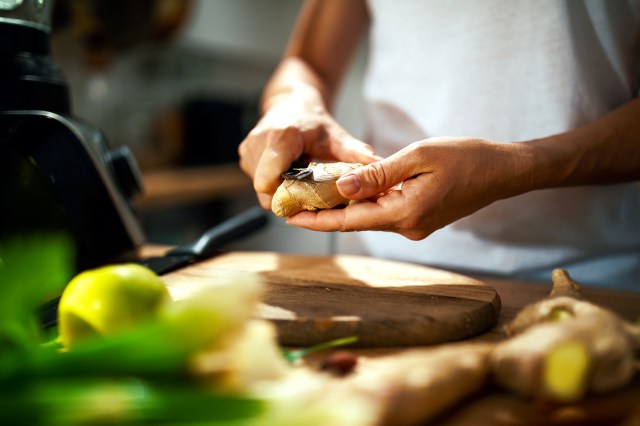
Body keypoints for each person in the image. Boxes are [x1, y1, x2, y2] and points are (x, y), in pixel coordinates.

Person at [238, 0, 640, 289]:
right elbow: (308, 61)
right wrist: (289, 103)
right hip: (375, 273)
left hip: (589, 281)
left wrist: (521, 166)